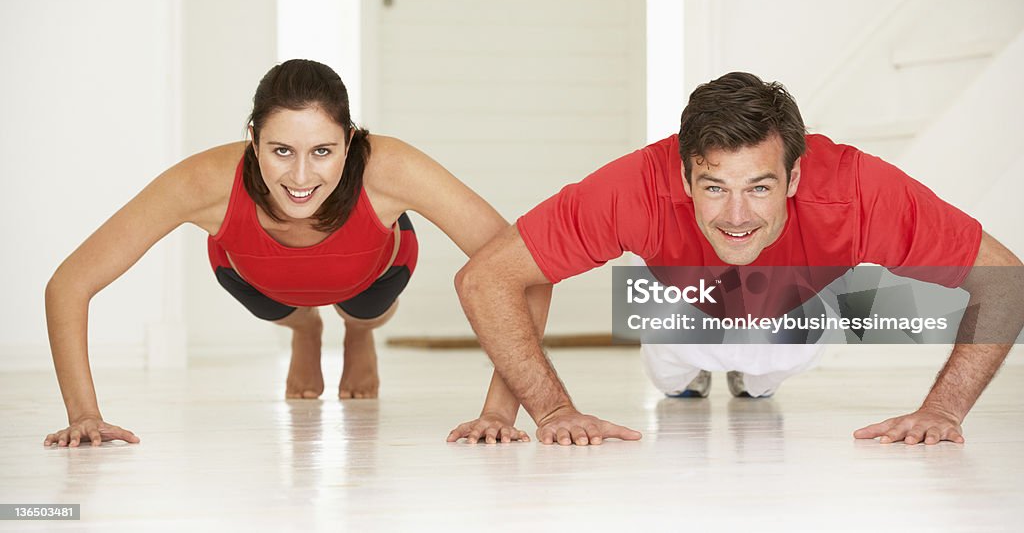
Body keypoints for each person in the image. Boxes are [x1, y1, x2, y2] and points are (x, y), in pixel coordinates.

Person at [452, 72, 1023, 446]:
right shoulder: (636, 186)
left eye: (759, 187)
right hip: (685, 305)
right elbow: (487, 278)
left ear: (795, 177)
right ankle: (690, 375)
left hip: (791, 312)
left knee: (767, 364)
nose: (736, 215)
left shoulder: (857, 190)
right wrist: (551, 412)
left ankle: (754, 380)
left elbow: (1007, 281)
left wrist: (944, 411)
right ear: (683, 175)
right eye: (714, 186)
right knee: (674, 360)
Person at [44, 59, 550, 448]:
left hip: (372, 270)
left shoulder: (391, 167)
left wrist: (501, 413)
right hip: (260, 278)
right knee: (279, 307)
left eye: (322, 151)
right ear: (254, 141)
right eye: (281, 150)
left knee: (366, 308)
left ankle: (357, 332)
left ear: (349, 143)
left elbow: (523, 271)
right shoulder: (202, 181)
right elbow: (70, 283)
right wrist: (83, 415)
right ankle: (306, 329)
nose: (302, 177)